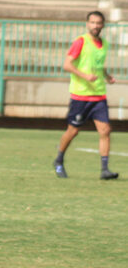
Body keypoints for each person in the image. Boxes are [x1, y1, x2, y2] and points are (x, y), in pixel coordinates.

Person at [53, 10, 118, 180]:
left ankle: (105, 169)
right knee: (73, 131)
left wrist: (106, 75)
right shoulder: (81, 41)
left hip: (98, 95)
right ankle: (59, 159)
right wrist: (85, 76)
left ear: (103, 25)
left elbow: (97, 64)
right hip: (81, 96)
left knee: (105, 130)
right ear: (87, 24)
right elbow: (67, 64)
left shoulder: (104, 43)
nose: (96, 26)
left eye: (98, 23)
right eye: (93, 22)